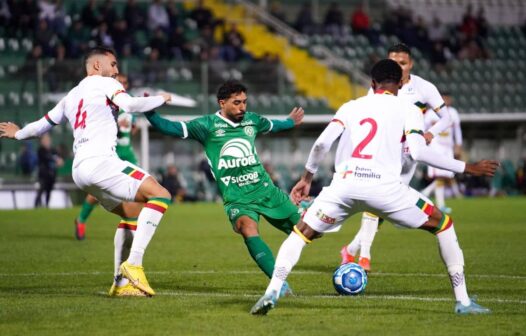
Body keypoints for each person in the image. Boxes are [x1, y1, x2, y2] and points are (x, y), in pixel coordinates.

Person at [250, 59, 498, 315]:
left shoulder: (352, 106)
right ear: (401, 83)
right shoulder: (409, 108)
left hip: (344, 187)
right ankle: (463, 301)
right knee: (442, 224)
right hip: (386, 189)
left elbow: (321, 145)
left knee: (300, 234)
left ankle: (272, 290)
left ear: (372, 83)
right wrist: (467, 167)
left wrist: (307, 178)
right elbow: (418, 152)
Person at [0, 46, 173, 297]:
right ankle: (134, 264)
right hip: (102, 161)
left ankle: (120, 284)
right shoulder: (104, 83)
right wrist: (161, 98)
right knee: (161, 195)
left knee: (132, 212)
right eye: (112, 64)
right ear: (96, 66)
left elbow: (41, 126)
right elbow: (132, 105)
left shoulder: (71, 95)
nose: (116, 70)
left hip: (80, 170)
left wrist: (17, 133)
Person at [144, 80, 304, 296]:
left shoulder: (252, 121)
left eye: (245, 102)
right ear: (222, 103)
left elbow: (275, 125)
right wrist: (150, 112)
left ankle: (322, 221)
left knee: (308, 231)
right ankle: (279, 284)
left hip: (267, 192)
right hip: (237, 198)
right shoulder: (207, 126)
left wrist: (290, 122)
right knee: (247, 228)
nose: (243, 107)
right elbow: (169, 128)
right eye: (237, 103)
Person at [341, 43, 454, 272]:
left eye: (403, 63)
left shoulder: (424, 88)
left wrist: (429, 134)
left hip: (408, 156)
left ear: (410, 64)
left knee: (383, 207)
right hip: (385, 152)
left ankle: (351, 250)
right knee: (377, 199)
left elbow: (446, 117)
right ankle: (364, 256)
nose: (398, 66)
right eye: (394, 62)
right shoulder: (377, 88)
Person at [75, 73, 138, 240]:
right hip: (111, 152)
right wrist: (117, 124)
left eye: (125, 82)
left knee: (137, 186)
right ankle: (81, 220)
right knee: (98, 192)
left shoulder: (128, 103)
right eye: (120, 82)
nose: (123, 85)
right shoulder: (105, 103)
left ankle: (130, 226)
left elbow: (133, 127)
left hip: (128, 153)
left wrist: (132, 129)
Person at [421, 92, 463, 213]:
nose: (447, 100)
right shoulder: (430, 113)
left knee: (447, 175)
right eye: (444, 98)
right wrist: (424, 141)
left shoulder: (453, 113)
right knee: (441, 175)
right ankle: (440, 204)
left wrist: (458, 145)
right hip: (435, 146)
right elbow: (423, 128)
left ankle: (426, 193)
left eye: (448, 98)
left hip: (448, 148)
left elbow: (457, 130)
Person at [34, 133, 63, 208]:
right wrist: (56, 160)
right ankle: (36, 206)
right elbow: (47, 158)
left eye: (48, 140)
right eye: (45, 140)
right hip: (43, 175)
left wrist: (59, 161)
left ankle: (47, 206)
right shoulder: (41, 150)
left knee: (49, 191)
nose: (47, 141)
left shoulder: (53, 150)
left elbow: (59, 159)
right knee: (41, 190)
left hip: (52, 175)